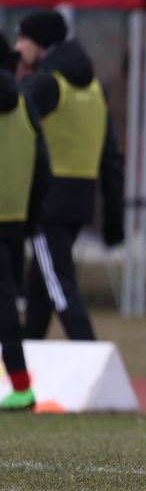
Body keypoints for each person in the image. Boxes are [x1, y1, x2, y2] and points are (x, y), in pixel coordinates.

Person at [15, 10, 124, 341]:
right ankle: (25, 358)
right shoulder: (93, 89)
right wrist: (114, 215)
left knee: (59, 284)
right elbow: (110, 154)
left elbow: (12, 118)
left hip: (48, 199)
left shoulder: (47, 84)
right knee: (41, 287)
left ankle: (88, 352)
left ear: (39, 43)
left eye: (23, 40)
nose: (18, 47)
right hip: (81, 196)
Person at [0, 33, 50, 411]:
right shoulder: (26, 102)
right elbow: (42, 168)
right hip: (13, 221)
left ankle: (20, 386)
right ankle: (20, 385)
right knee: (5, 306)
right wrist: (30, 220)